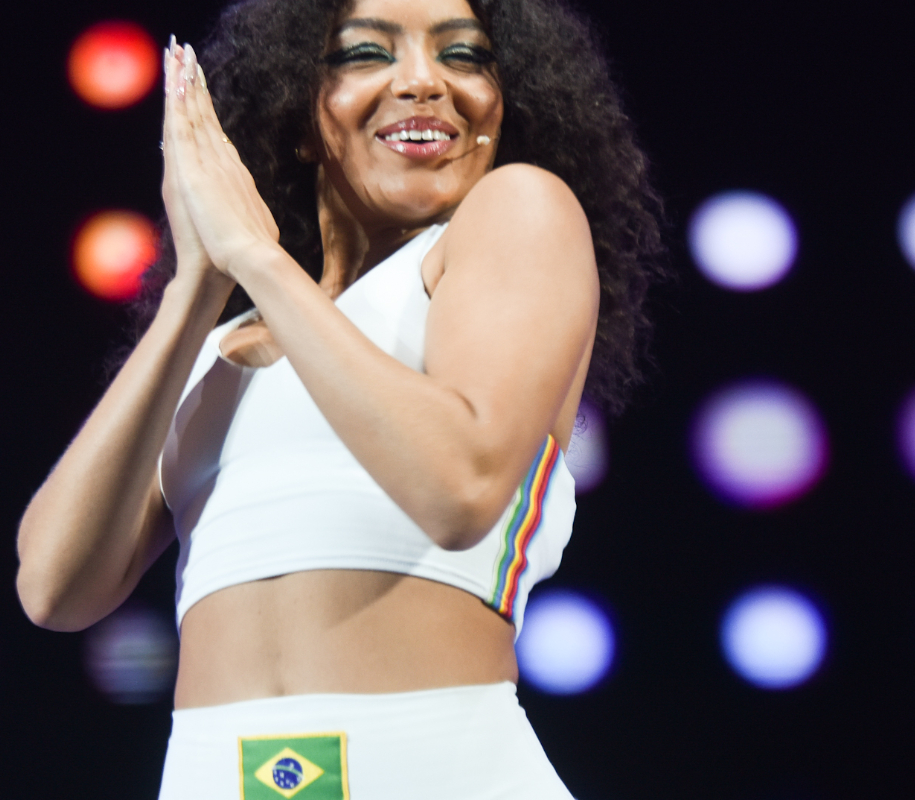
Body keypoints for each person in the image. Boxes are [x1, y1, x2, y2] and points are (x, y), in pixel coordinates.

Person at [15, 0, 665, 796]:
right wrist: (196, 288)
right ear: (298, 114)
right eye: (366, 54)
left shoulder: (516, 213)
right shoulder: (224, 340)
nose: (424, 81)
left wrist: (257, 257)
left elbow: (458, 488)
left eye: (464, 56)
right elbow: (53, 587)